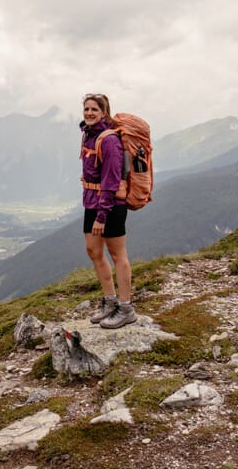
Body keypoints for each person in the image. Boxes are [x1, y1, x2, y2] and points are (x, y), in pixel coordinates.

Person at [80, 93, 137, 329]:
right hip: (92, 202)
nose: (89, 113)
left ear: (104, 112)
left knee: (117, 255)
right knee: (93, 251)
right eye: (86, 109)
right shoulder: (88, 135)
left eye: (94, 109)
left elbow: (112, 181)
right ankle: (109, 301)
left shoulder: (110, 140)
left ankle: (126, 308)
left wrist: (102, 216)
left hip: (111, 206)